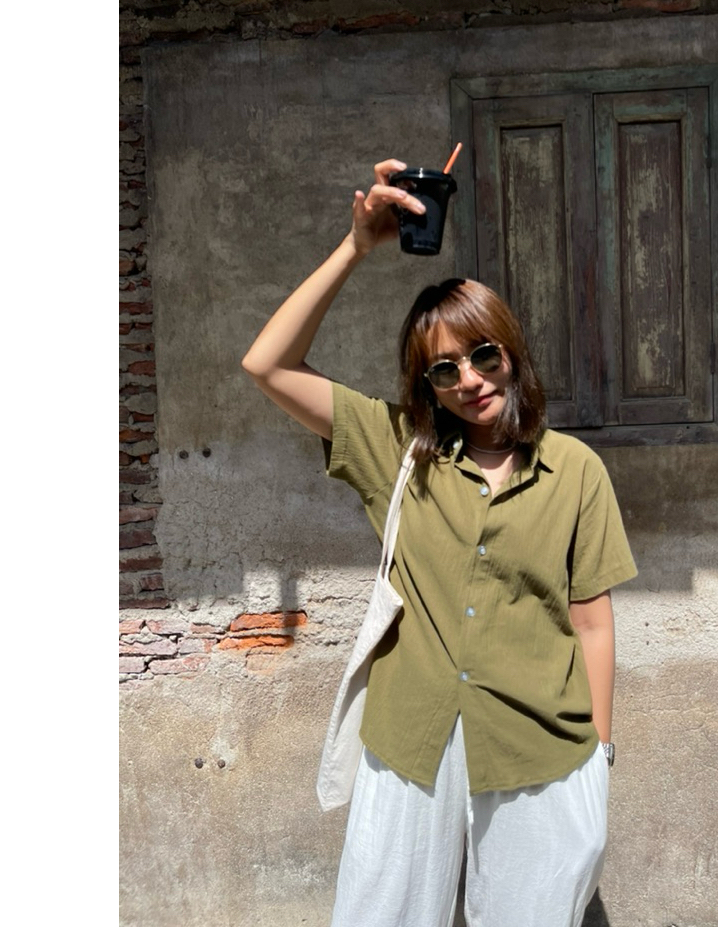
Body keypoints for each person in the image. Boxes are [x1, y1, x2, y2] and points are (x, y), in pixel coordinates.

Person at [241, 157, 638, 927]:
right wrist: (357, 247)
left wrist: (600, 755)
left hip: (541, 747)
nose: (470, 380)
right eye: (443, 370)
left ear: (510, 350)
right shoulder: (397, 449)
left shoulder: (575, 471)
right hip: (413, 738)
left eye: (483, 354)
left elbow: (592, 622)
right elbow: (268, 364)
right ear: (426, 386)